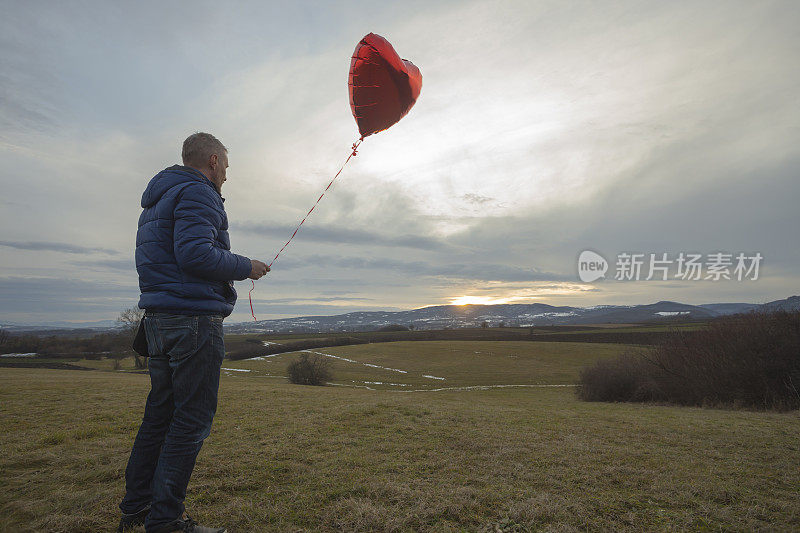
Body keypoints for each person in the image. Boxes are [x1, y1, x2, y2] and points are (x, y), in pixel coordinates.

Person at [117, 133, 269, 533]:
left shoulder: (160, 198)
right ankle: (164, 521)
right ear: (215, 161)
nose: (226, 178)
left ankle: (136, 509)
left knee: (160, 416)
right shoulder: (199, 193)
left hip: (159, 319)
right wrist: (245, 265)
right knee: (191, 421)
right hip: (192, 321)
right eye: (227, 169)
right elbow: (196, 254)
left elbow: (172, 257)